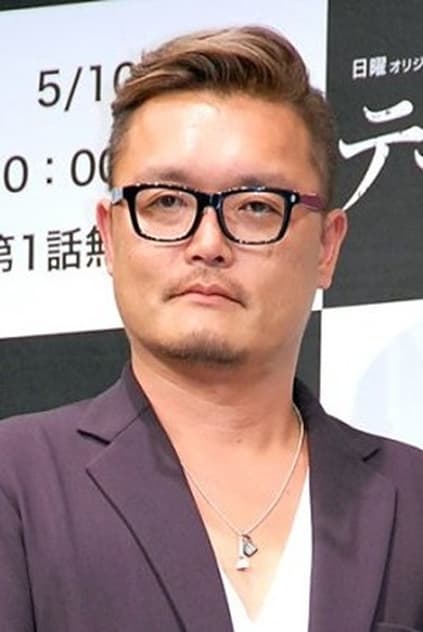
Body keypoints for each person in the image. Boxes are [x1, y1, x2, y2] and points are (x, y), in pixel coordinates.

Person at [1, 25, 422, 632]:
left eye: (256, 207)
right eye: (166, 201)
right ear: (110, 237)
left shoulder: (412, 497)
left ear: (328, 248)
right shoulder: (17, 481)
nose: (208, 244)